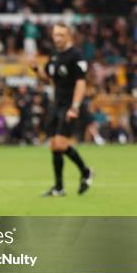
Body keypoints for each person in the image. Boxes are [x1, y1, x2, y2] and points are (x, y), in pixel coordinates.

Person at [29, 22, 93, 196]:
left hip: (69, 106)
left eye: (61, 35)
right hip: (56, 105)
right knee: (55, 146)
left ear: (69, 36)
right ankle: (63, 185)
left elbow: (81, 83)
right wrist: (36, 69)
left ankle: (79, 175)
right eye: (55, 35)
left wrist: (75, 107)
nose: (57, 38)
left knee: (59, 143)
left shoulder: (76, 56)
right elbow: (47, 79)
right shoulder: (55, 54)